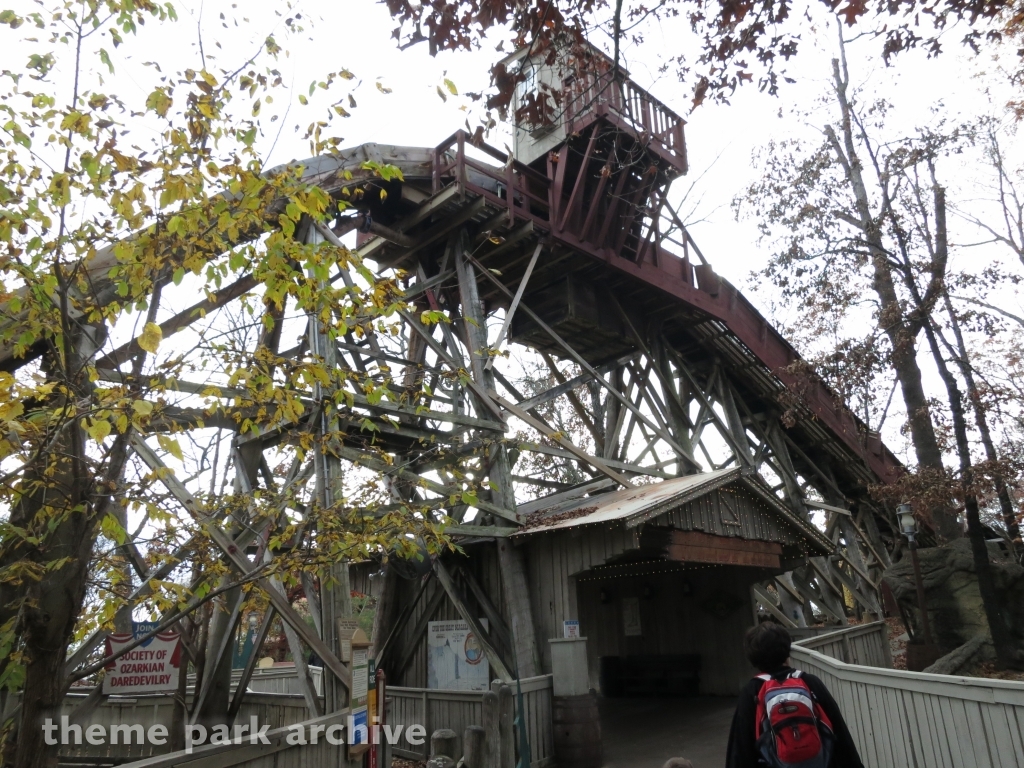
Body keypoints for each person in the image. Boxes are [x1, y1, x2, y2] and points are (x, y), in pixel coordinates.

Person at [725, 622, 864, 768]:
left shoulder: (752, 691)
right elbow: (840, 733)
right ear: (787, 651)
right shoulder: (810, 682)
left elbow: (741, 748)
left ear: (753, 659)